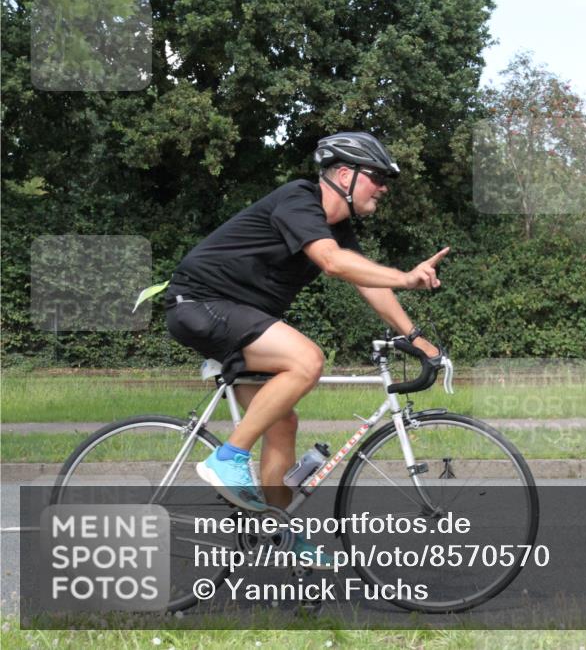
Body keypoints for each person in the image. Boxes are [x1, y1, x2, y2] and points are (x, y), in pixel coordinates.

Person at [164, 132, 447, 523]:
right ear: (344, 174)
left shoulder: (334, 227)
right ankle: (227, 458)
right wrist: (405, 277)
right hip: (201, 304)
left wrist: (419, 341)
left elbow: (366, 281)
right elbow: (331, 262)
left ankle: (279, 531)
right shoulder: (299, 199)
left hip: (237, 315)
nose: (383, 188)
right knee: (307, 360)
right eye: (377, 177)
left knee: (282, 421)